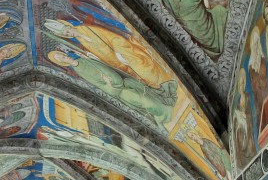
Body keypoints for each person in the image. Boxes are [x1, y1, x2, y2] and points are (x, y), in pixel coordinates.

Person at [48, 49, 176, 127]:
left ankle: (166, 108)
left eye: (63, 55)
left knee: (146, 92)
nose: (65, 57)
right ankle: (164, 115)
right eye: (62, 59)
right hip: (120, 91)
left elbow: (104, 67)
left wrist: (92, 58)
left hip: (125, 83)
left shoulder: (83, 60)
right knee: (145, 101)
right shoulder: (80, 70)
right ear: (63, 63)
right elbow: (100, 86)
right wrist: (109, 85)